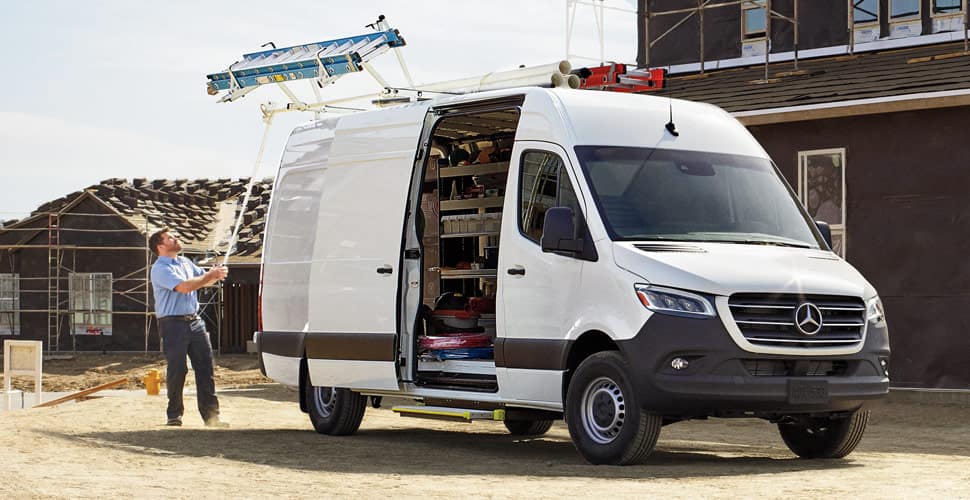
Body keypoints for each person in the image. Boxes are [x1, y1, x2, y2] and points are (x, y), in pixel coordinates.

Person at [148, 228, 229, 428]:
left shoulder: (185, 262)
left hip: (194, 321)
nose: (176, 239)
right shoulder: (159, 269)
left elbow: (203, 279)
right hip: (172, 323)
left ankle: (212, 417)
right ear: (160, 246)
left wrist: (216, 274)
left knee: (205, 368)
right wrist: (209, 275)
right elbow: (184, 287)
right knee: (178, 369)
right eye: (170, 238)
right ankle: (174, 415)